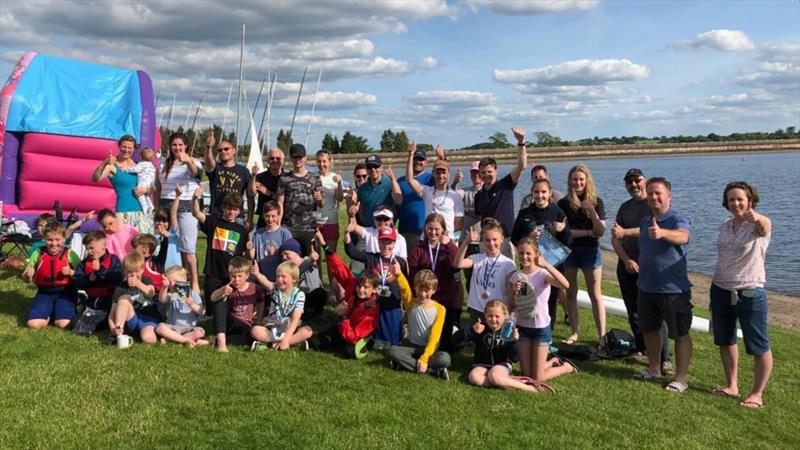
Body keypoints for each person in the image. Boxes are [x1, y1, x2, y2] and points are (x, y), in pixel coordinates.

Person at [710, 182, 773, 409]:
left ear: (750, 201)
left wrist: (756, 217)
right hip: (720, 289)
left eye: (740, 199)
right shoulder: (725, 225)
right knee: (725, 340)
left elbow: (765, 227)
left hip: (749, 291)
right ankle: (731, 385)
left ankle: (757, 394)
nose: (735, 203)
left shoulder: (758, 225)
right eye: (731, 200)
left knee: (758, 344)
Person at [634, 177, 693, 394]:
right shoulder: (644, 221)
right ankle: (654, 368)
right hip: (647, 287)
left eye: (658, 193)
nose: (653, 197)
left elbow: (684, 237)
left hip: (674, 289)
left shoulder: (678, 218)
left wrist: (663, 233)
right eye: (650, 193)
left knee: (680, 333)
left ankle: (681, 378)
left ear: (669, 195)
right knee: (650, 330)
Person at [611, 169, 672, 372]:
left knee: (657, 313)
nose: (633, 185)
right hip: (627, 264)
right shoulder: (624, 207)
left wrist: (625, 232)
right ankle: (642, 348)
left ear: (645, 181)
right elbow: (615, 237)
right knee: (634, 312)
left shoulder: (653, 205)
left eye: (637, 180)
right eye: (629, 182)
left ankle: (665, 359)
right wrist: (626, 260)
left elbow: (651, 229)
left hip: (649, 265)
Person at [510, 238, 576, 382]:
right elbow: (512, 306)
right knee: (526, 375)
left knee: (538, 378)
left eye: (528, 253)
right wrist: (513, 292)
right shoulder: (516, 276)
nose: (524, 257)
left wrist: (546, 264)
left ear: (536, 254)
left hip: (540, 329)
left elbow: (565, 284)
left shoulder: (542, 275)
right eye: (521, 253)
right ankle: (552, 362)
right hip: (523, 328)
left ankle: (566, 367)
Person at [309, 230, 380, 359]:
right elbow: (339, 268)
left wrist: (343, 318)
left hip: (355, 333)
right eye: (360, 285)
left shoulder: (372, 309)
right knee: (315, 342)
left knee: (349, 352)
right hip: (344, 325)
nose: (361, 290)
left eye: (366, 288)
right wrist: (325, 245)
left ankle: (367, 342)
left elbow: (353, 336)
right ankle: (337, 341)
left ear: (374, 290)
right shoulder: (353, 285)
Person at [510, 178, 570, 331]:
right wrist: (528, 236)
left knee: (550, 301)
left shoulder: (557, 212)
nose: (540, 195)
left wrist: (563, 230)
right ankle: (525, 328)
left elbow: (568, 241)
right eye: (536, 192)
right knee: (526, 297)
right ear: (532, 193)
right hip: (528, 265)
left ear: (550, 193)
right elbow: (515, 238)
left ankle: (547, 336)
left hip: (550, 265)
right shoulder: (525, 213)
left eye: (543, 192)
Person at [453, 300, 551, 393]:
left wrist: (514, 341)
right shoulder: (480, 328)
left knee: (494, 375)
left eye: (497, 316)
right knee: (474, 377)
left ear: (504, 316)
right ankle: (508, 381)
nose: (493, 319)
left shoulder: (507, 331)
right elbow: (456, 340)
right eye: (490, 316)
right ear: (485, 316)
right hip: (482, 364)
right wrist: (471, 330)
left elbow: (515, 358)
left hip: (501, 364)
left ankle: (530, 388)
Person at [557, 164, 607, 347]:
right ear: (570, 181)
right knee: (570, 292)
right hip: (569, 252)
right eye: (574, 179)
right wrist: (586, 232)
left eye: (581, 179)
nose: (577, 182)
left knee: (595, 295)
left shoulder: (596, 202)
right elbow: (564, 232)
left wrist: (592, 212)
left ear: (587, 181)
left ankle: (602, 336)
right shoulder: (563, 204)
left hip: (591, 252)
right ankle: (575, 332)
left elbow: (600, 231)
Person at [345, 226, 410, 346]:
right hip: (375, 304)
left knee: (394, 341)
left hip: (392, 304)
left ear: (394, 243)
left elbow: (406, 282)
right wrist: (347, 235)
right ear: (378, 242)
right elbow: (352, 253)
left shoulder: (400, 262)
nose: (386, 246)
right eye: (383, 242)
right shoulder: (372, 258)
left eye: (389, 242)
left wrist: (400, 272)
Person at [408, 213, 462, 352]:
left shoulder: (447, 248)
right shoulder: (418, 250)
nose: (433, 232)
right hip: (425, 297)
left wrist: (449, 244)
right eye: (430, 228)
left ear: (443, 230)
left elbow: (457, 265)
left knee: (444, 340)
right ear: (425, 229)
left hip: (445, 297)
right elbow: (412, 274)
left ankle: (444, 349)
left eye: (437, 229)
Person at [156, 132, 203, 292]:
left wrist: (187, 160)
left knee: (188, 247)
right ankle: (170, 280)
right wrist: (156, 208)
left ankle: (194, 282)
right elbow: (158, 187)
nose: (177, 148)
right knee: (167, 245)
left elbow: (195, 172)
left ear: (186, 146)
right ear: (170, 146)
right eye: (174, 145)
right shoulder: (162, 164)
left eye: (180, 145)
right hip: (165, 206)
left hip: (186, 207)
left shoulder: (193, 162)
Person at [387, 270, 451, 380]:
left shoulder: (440, 309)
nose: (422, 294)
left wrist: (425, 359)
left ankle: (404, 365)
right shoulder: (411, 303)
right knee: (392, 351)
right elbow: (404, 289)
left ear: (434, 290)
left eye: (427, 291)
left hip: (430, 350)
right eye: (420, 289)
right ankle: (432, 372)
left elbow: (434, 337)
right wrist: (398, 275)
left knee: (445, 359)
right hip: (412, 347)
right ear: (415, 287)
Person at [192, 188, 249, 311]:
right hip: (212, 273)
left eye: (235, 209)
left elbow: (245, 256)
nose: (231, 212)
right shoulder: (213, 222)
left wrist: (250, 250)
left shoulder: (242, 231)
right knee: (210, 311)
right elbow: (196, 213)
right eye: (229, 208)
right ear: (223, 208)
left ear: (239, 211)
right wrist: (195, 199)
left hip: (231, 275)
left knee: (230, 309)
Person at [474, 127, 527, 259]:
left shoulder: (505, 185)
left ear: (496, 171)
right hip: (486, 240)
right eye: (483, 172)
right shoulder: (478, 195)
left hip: (505, 240)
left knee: (507, 276)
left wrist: (521, 143)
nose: (486, 175)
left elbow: (521, 166)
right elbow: (478, 215)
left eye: (489, 172)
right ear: (479, 174)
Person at [22, 221, 80, 329]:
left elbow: (82, 276)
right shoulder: (38, 253)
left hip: (66, 293)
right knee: (33, 325)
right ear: (44, 239)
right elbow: (24, 276)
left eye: (57, 239)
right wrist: (28, 275)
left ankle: (57, 311)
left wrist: (71, 272)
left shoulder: (70, 254)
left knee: (64, 324)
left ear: (63, 239)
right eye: (49, 240)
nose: (53, 244)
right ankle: (49, 311)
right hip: (45, 293)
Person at [454, 218, 517, 319]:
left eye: (494, 239)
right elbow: (458, 263)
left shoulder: (508, 264)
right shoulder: (477, 258)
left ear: (502, 239)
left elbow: (510, 293)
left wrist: (508, 313)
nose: (491, 244)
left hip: (496, 312)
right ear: (482, 241)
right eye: (487, 240)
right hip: (477, 309)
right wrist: (466, 242)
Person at [91, 135, 152, 234]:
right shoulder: (113, 166)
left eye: (129, 148)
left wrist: (145, 190)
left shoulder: (138, 165)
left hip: (143, 212)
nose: (126, 150)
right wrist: (105, 163)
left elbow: (153, 187)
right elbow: (95, 178)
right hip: (123, 212)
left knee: (144, 246)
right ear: (119, 146)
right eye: (124, 147)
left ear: (134, 149)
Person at [404, 143, 464, 239]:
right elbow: (410, 180)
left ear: (448, 174)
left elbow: (459, 222)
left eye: (444, 173)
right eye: (438, 172)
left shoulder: (455, 196)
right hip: (427, 239)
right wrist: (411, 155)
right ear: (433, 174)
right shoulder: (426, 191)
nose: (441, 176)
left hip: (447, 241)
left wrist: (448, 237)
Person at [250, 261, 314, 351]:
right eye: (278, 276)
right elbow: (266, 282)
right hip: (273, 328)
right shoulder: (274, 288)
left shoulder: (299, 294)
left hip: (291, 329)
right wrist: (257, 274)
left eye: (283, 276)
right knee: (255, 330)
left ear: (294, 279)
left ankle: (274, 344)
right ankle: (293, 343)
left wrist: (286, 339)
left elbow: (296, 318)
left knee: (308, 331)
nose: (280, 279)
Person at [209, 256, 265, 352]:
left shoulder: (255, 288)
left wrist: (259, 320)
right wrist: (223, 291)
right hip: (229, 322)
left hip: (245, 324)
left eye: (240, 276)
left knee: (251, 336)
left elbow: (261, 302)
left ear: (247, 275)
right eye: (233, 276)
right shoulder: (229, 287)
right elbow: (212, 298)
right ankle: (221, 343)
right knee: (220, 302)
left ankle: (214, 341)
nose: (236, 280)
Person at [277, 143, 323, 254]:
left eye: (300, 157)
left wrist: (320, 198)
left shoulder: (315, 178)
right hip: (289, 227)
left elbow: (321, 204)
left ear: (305, 158)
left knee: (312, 261)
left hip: (309, 228)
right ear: (291, 159)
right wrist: (278, 224)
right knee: (290, 262)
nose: (298, 160)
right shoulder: (284, 179)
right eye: (295, 157)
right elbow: (280, 203)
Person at [204, 131, 254, 230]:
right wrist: (209, 148)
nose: (223, 152)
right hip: (217, 216)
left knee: (236, 245)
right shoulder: (215, 168)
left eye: (226, 149)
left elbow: (250, 197)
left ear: (233, 151)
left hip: (237, 217)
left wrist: (250, 218)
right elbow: (209, 162)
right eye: (219, 150)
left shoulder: (243, 171)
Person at [107, 252, 159, 344]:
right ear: (125, 272)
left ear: (142, 269)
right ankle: (118, 332)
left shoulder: (146, 280)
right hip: (131, 319)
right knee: (124, 298)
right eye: (130, 272)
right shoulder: (121, 287)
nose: (133, 275)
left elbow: (151, 293)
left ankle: (159, 335)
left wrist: (138, 284)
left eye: (136, 271)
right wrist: (113, 329)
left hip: (147, 319)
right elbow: (112, 314)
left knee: (148, 338)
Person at [155, 265, 208, 347]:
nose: (172, 284)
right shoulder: (173, 293)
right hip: (172, 327)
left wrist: (192, 304)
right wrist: (164, 287)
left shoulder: (193, 294)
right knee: (160, 328)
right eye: (170, 282)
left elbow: (201, 311)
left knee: (199, 332)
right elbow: (162, 299)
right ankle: (185, 340)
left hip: (189, 328)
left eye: (175, 281)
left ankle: (172, 339)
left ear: (184, 279)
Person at [396, 146, 437, 249]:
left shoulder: (431, 179)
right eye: (415, 159)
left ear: (426, 162)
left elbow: (444, 180)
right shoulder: (400, 181)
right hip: (405, 230)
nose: (418, 162)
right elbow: (396, 204)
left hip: (425, 230)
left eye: (421, 159)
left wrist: (441, 157)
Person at [72, 230, 123, 313]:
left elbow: (118, 277)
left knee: (103, 320)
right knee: (79, 323)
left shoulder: (113, 260)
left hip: (108, 299)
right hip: (89, 299)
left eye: (92, 248)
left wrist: (100, 270)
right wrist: (88, 279)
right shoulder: (84, 263)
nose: (89, 252)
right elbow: (77, 280)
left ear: (103, 246)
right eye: (87, 249)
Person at [250, 200, 293, 279]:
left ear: (278, 216)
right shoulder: (258, 234)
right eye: (267, 216)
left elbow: (291, 255)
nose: (270, 219)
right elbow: (252, 255)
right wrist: (249, 250)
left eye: (273, 216)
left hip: (280, 276)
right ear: (263, 216)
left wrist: (276, 251)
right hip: (262, 275)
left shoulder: (285, 233)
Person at [356, 154, 402, 227]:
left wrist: (393, 178)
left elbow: (398, 200)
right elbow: (361, 208)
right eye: (369, 167)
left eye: (376, 166)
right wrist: (365, 222)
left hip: (386, 229)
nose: (373, 169)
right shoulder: (362, 188)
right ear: (366, 169)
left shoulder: (391, 184)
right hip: (368, 230)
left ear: (381, 167)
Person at [315, 149, 345, 250]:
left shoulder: (334, 178)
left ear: (329, 161)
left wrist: (339, 183)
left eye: (324, 161)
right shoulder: (312, 177)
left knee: (331, 256)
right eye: (319, 161)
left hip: (330, 221)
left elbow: (340, 199)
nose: (322, 164)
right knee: (315, 258)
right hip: (314, 222)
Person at [253, 147, 285, 229]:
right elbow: (251, 193)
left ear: (283, 160)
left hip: (283, 221)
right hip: (263, 221)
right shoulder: (260, 177)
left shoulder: (288, 178)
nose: (275, 160)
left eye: (278, 158)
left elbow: (287, 200)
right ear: (267, 160)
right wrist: (253, 176)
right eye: (272, 158)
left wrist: (268, 192)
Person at [128, 147, 157, 215]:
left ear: (140, 157)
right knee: (147, 196)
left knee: (140, 195)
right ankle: (151, 206)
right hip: (149, 183)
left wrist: (127, 169)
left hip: (143, 182)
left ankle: (145, 208)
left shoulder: (141, 164)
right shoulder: (152, 165)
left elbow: (136, 169)